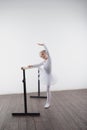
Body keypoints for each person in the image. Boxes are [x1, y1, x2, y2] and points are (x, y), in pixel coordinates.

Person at [21, 43, 52, 109]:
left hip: (49, 76)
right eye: (41, 56)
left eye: (43, 55)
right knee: (39, 67)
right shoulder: (44, 61)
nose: (42, 57)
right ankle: (48, 102)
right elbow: (38, 64)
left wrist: (43, 45)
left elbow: (48, 52)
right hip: (45, 74)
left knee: (48, 89)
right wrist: (31, 65)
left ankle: (48, 103)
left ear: (46, 54)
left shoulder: (49, 60)